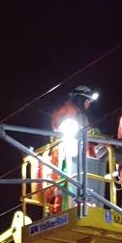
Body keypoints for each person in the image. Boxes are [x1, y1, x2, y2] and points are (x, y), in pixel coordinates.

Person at [42, 86, 99, 214]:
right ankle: (61, 214)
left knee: (76, 187)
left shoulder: (81, 116)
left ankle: (79, 210)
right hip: (66, 156)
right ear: (80, 99)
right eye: (87, 101)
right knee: (64, 186)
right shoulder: (67, 111)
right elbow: (62, 127)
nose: (88, 104)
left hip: (78, 159)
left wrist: (96, 135)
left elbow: (88, 132)